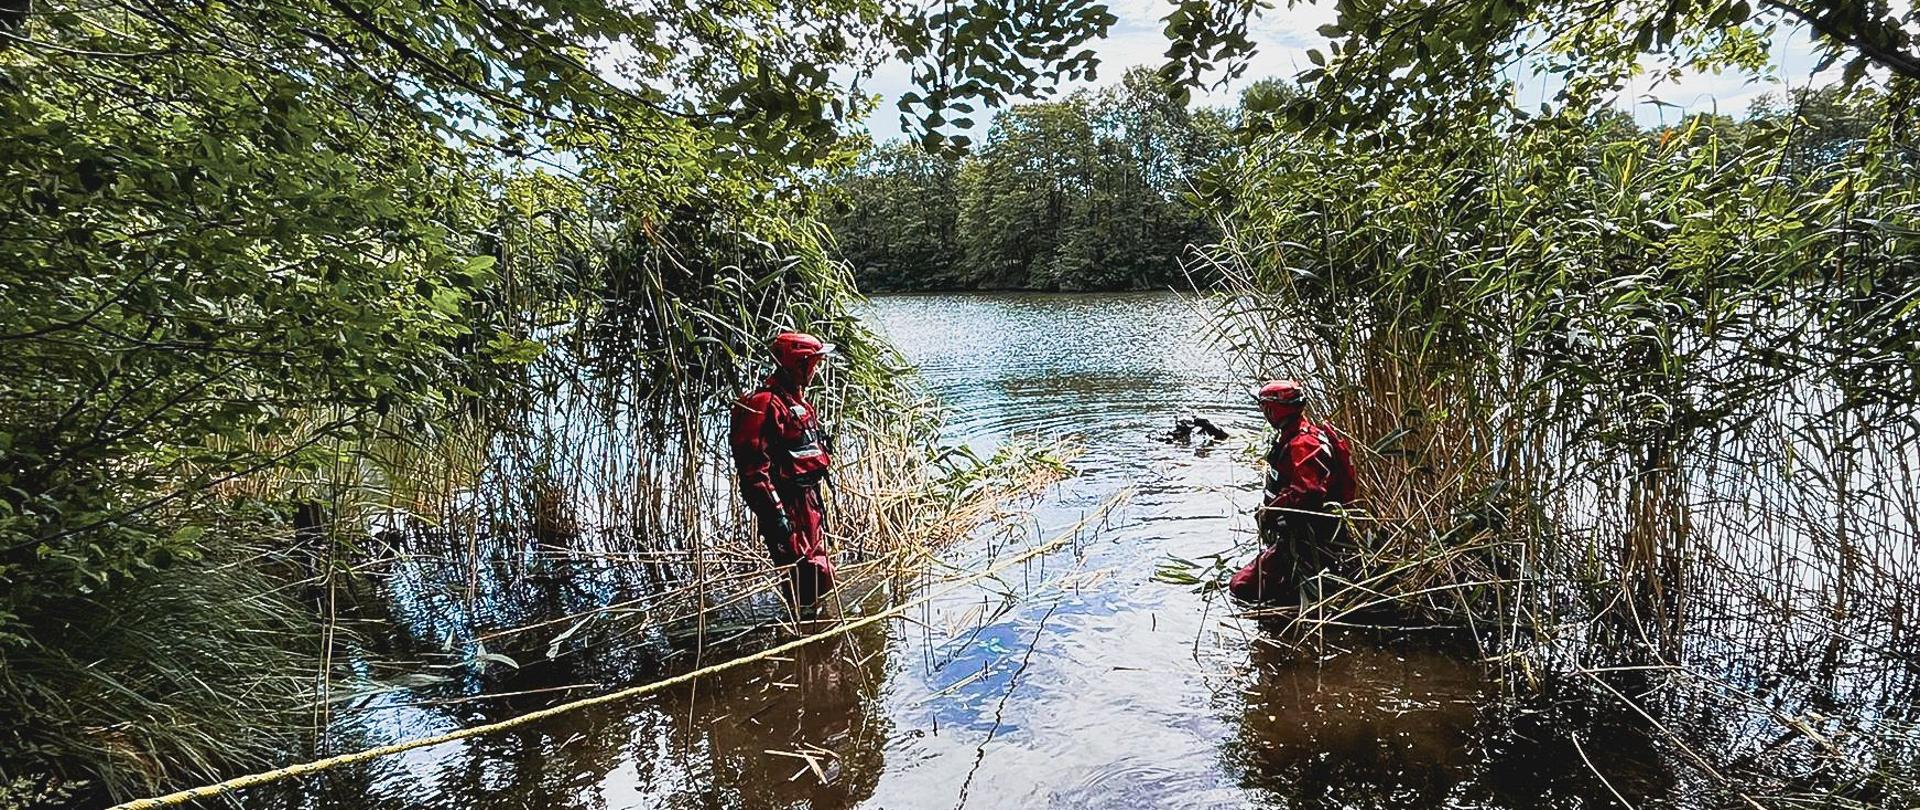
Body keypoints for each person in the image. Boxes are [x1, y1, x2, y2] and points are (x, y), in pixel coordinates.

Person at [730, 331, 837, 609]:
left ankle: (817, 638)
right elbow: (754, 472)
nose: (817, 369)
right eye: (814, 363)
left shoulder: (797, 402)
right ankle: (803, 629)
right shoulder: (764, 404)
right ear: (798, 363)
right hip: (788, 507)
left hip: (808, 502)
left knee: (821, 574)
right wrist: (778, 520)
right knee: (804, 575)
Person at [1228, 379, 1357, 605]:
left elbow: (1308, 492)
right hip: (1301, 536)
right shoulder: (1303, 434)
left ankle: (1290, 600)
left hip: (1308, 540)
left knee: (1241, 587)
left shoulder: (1302, 444)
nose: (1263, 413)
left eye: (1264, 407)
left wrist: (1271, 511)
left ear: (1272, 410)